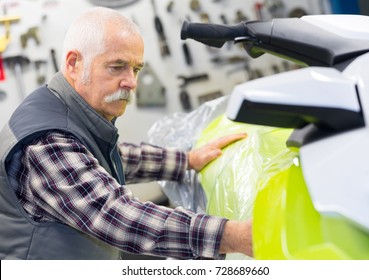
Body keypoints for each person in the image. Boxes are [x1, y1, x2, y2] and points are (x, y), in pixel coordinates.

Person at [0, 7, 252, 260]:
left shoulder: (60, 109)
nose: (131, 82)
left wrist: (187, 160)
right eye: (117, 66)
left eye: (136, 69)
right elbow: (115, 215)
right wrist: (233, 235)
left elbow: (107, 158)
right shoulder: (46, 143)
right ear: (74, 64)